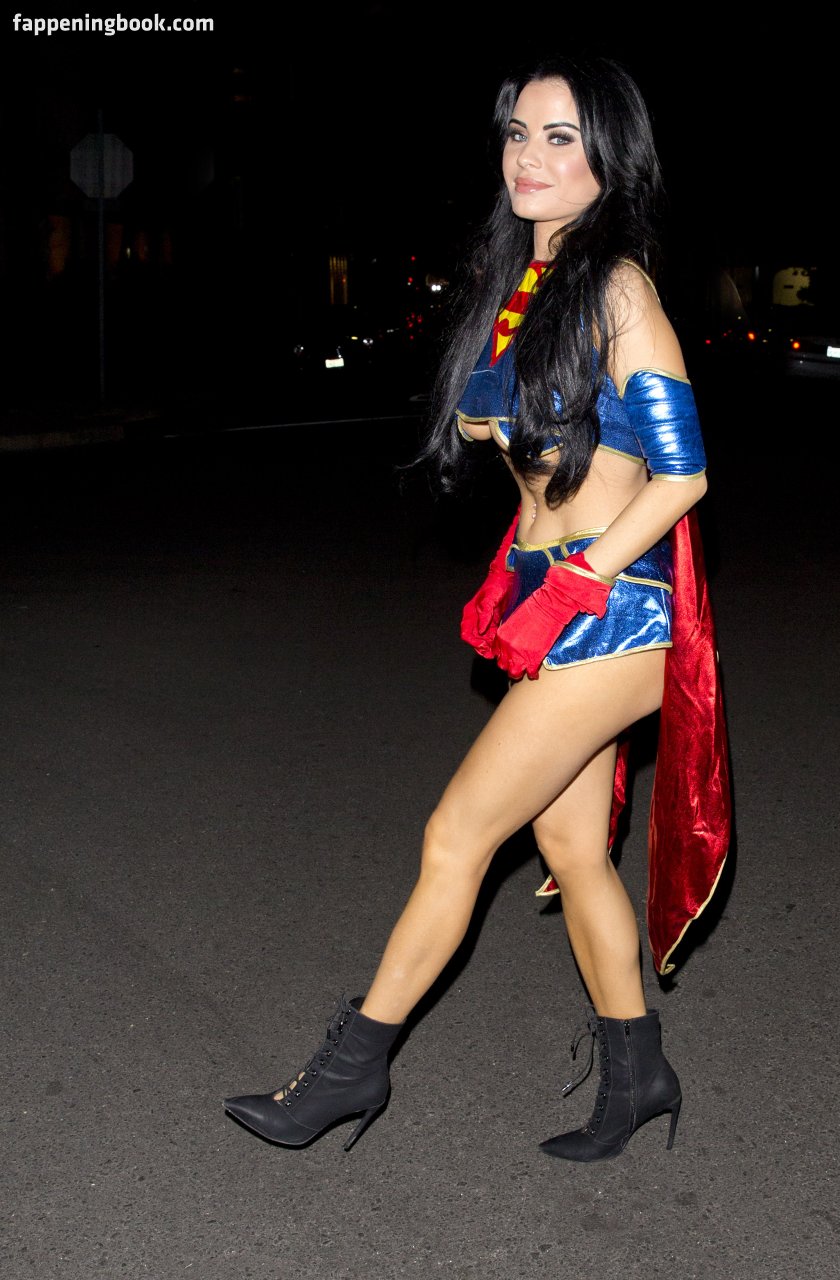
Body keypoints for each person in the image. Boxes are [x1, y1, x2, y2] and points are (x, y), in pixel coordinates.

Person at [224, 55, 730, 1163]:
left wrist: (587, 573)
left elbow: (683, 475)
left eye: (560, 137)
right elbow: (513, 437)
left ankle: (350, 1071)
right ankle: (638, 1072)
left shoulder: (617, 289)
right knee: (572, 848)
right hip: (555, 596)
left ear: (610, 159)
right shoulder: (528, 290)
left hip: (612, 611)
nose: (528, 157)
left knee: (456, 834)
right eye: (517, 133)